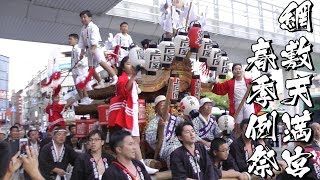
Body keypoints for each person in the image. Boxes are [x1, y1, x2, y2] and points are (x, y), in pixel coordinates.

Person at [108, 56, 158, 174]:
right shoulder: (121, 78)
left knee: (135, 138)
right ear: (123, 67)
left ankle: (140, 164)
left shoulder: (131, 78)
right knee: (131, 139)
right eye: (128, 64)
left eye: (132, 64)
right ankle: (136, 165)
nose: (131, 66)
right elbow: (125, 91)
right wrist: (134, 75)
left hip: (132, 111)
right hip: (126, 113)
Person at [211, 63, 261, 136]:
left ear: (242, 70)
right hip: (237, 104)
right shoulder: (229, 83)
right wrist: (215, 83)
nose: (238, 70)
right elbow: (221, 88)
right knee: (238, 124)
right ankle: (238, 138)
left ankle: (251, 137)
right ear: (233, 72)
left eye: (239, 69)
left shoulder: (250, 81)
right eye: (236, 69)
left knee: (250, 122)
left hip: (249, 103)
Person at [78, 10, 118, 88]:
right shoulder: (82, 29)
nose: (83, 19)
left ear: (90, 18)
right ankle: (100, 82)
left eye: (84, 17)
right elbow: (81, 42)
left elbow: (95, 38)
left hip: (96, 48)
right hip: (89, 49)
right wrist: (82, 52)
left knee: (101, 62)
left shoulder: (93, 27)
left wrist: (93, 48)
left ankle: (115, 77)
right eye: (81, 18)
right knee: (91, 68)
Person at [145, 95, 183, 167]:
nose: (164, 107)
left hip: (180, 144)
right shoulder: (153, 123)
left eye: (166, 105)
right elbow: (151, 140)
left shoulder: (176, 119)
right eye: (161, 105)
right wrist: (159, 130)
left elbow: (185, 127)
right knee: (174, 151)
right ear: (156, 108)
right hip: (165, 148)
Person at [68, 33, 93, 105]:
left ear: (76, 40)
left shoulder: (78, 49)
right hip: (75, 71)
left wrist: (78, 64)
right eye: (69, 39)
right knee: (78, 87)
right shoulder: (74, 49)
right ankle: (83, 100)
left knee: (82, 85)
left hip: (81, 70)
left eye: (70, 39)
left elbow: (83, 60)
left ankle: (87, 99)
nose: (69, 41)